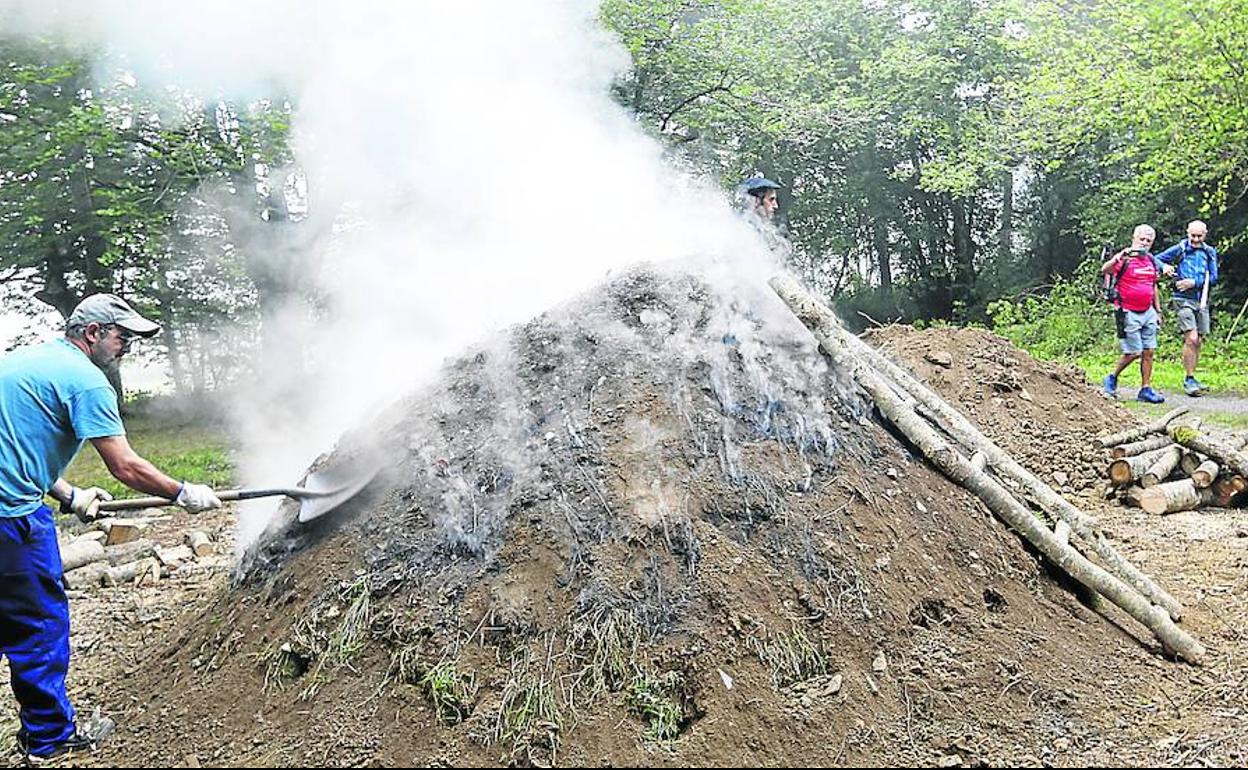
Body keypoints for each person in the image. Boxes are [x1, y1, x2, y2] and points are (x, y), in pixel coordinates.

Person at [0, 293, 223, 761]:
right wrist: (181, 491)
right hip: (10, 521)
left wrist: (68, 494)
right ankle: (49, 738)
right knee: (38, 625)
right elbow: (124, 466)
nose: (127, 348)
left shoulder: (26, 362)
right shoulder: (87, 382)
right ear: (94, 333)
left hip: (12, 503)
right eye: (123, 337)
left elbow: (15, 446)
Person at [1101, 225, 1170, 403]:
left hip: (1148, 311)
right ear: (1134, 238)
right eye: (1142, 239)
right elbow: (1105, 270)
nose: (1145, 243)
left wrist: (1158, 310)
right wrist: (1118, 257)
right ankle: (1112, 377)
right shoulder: (1125, 259)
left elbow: (1153, 285)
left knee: (1149, 351)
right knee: (1133, 352)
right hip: (1127, 311)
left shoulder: (1151, 261)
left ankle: (1145, 389)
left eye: (1148, 241)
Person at [1155, 220, 1218, 396]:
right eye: (1193, 236)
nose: (1196, 239)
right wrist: (1165, 267)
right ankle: (1189, 379)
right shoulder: (1180, 249)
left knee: (1198, 340)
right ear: (1187, 233)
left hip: (1202, 300)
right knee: (1191, 337)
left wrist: (1194, 282)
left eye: (1199, 236)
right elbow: (1155, 258)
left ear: (1205, 234)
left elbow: (1213, 277)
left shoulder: (1209, 252)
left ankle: (1193, 377)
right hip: (1182, 299)